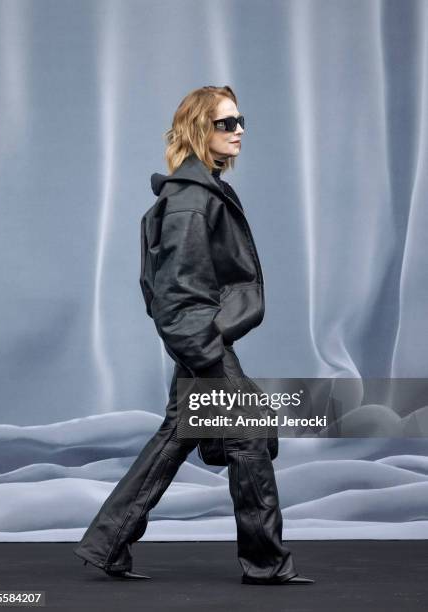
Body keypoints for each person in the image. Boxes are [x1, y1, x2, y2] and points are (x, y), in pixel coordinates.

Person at [73, 85, 314, 585]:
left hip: (204, 338)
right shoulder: (188, 201)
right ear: (200, 130)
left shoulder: (200, 192)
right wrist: (204, 351)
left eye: (240, 120)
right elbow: (174, 292)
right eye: (227, 123)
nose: (240, 129)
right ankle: (265, 563)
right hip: (202, 341)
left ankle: (107, 543)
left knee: (180, 433)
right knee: (248, 434)